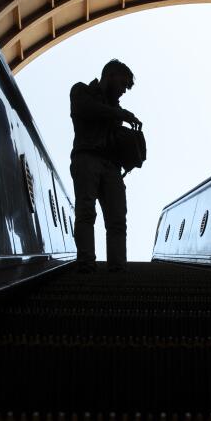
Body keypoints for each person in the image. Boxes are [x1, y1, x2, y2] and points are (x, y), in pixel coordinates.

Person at [69, 59, 142, 273]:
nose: (123, 91)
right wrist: (120, 114)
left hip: (112, 167)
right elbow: (87, 109)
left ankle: (117, 270)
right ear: (109, 75)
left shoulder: (115, 109)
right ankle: (86, 264)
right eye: (122, 84)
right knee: (85, 211)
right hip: (86, 158)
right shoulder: (81, 90)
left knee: (118, 221)